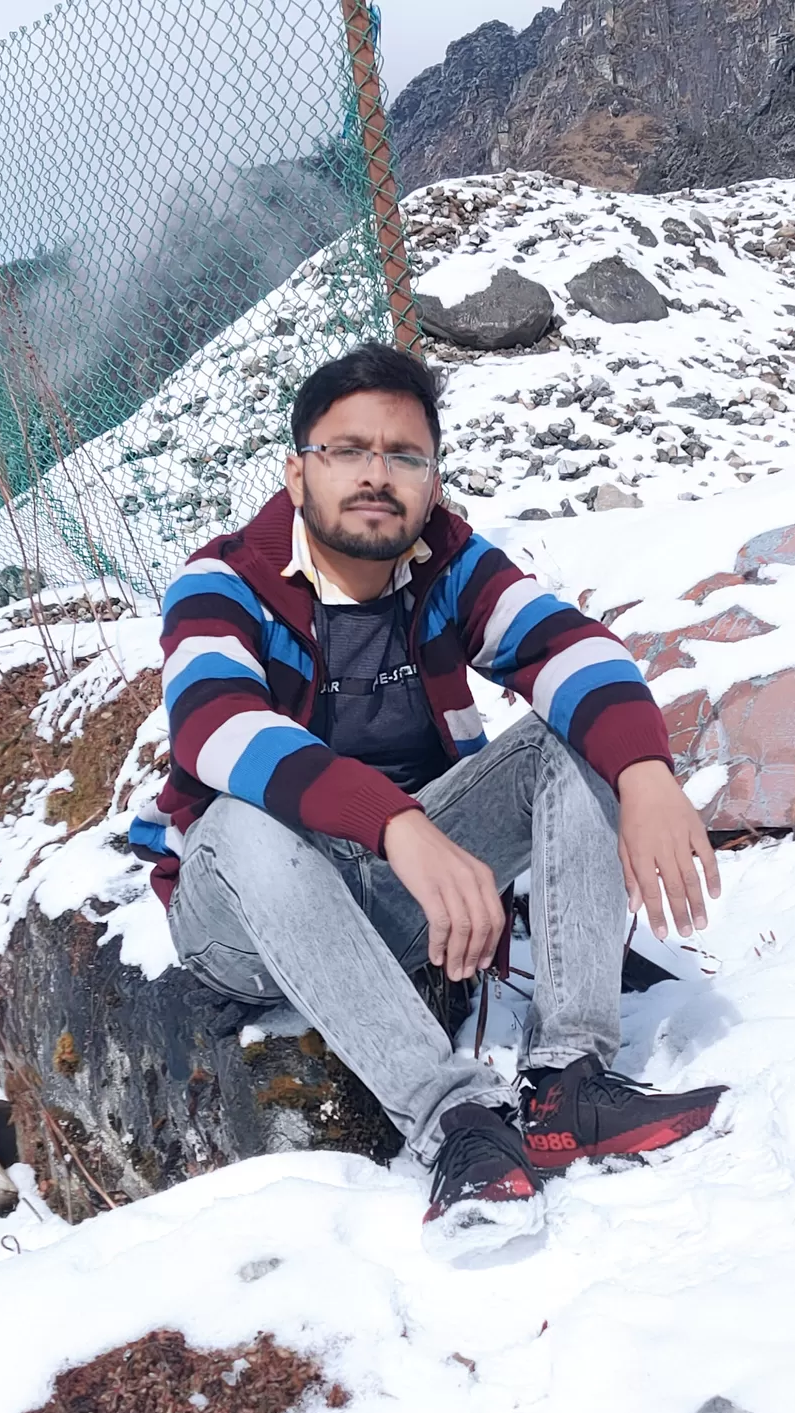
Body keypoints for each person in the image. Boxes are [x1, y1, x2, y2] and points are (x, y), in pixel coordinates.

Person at [131, 342, 727, 1259]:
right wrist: (397, 822)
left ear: (433, 478)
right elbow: (216, 730)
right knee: (249, 818)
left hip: (399, 890)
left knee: (581, 730)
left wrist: (644, 773)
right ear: (297, 471)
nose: (378, 475)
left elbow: (571, 648)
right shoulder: (223, 583)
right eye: (348, 450)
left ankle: (567, 1077)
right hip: (246, 910)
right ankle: (455, 1122)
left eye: (405, 455)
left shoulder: (445, 562)